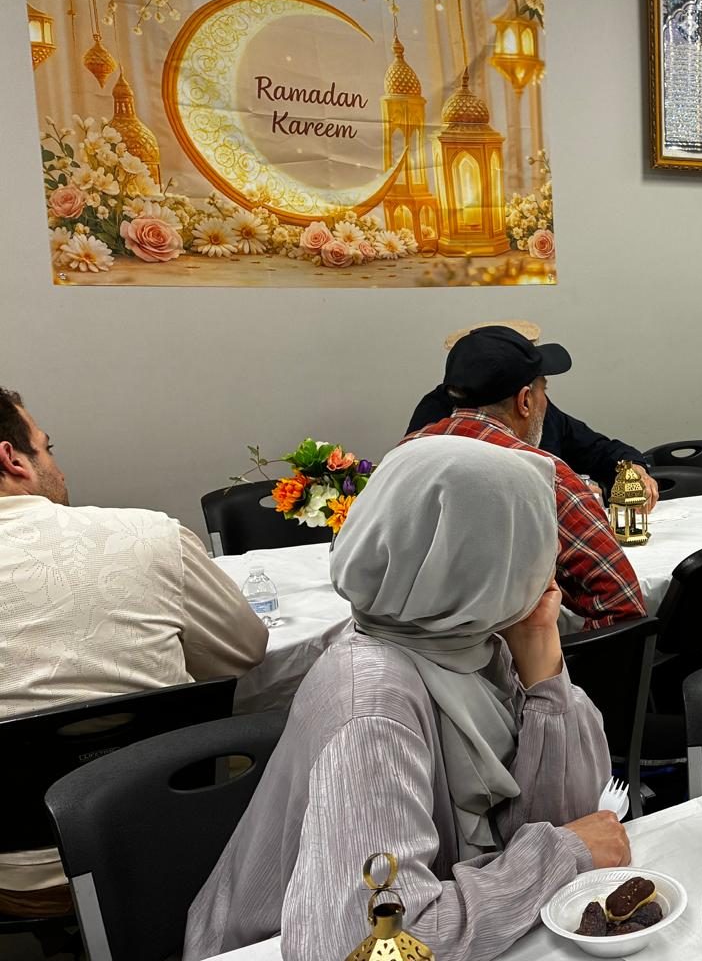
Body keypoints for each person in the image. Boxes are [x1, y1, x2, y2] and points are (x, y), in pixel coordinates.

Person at [184, 437, 628, 961]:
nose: (551, 556)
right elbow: (373, 948)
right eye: (533, 536)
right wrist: (561, 857)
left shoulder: (468, 638)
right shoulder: (374, 705)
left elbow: (575, 812)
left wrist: (542, 661)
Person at [0, 388, 266, 918]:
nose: (56, 465)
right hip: (171, 838)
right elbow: (244, 651)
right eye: (48, 448)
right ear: (13, 459)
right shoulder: (149, 535)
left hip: (15, 871)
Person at [403, 327, 646, 631]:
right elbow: (623, 610)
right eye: (544, 388)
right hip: (497, 653)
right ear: (525, 400)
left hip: (382, 650)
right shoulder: (544, 478)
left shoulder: (401, 458)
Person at [408, 321, 659, 511]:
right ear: (523, 399)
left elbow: (598, 449)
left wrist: (633, 468)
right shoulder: (437, 424)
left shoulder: (543, 412)